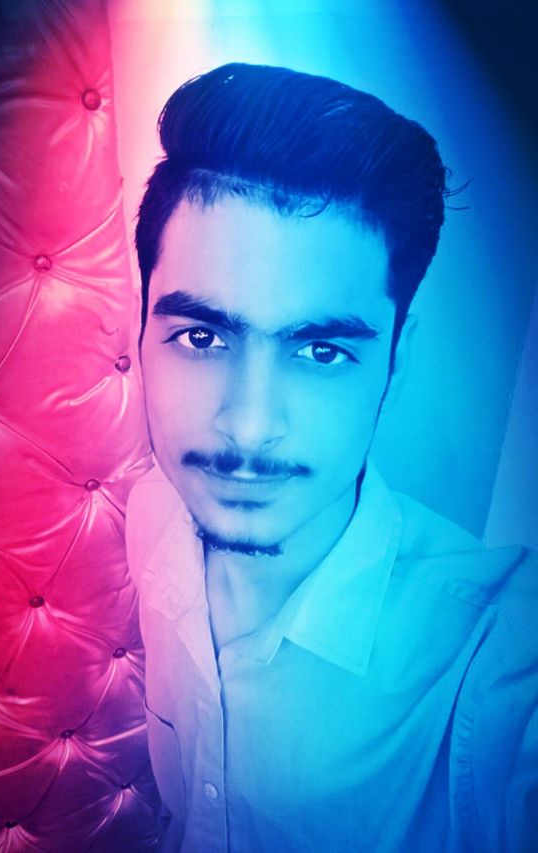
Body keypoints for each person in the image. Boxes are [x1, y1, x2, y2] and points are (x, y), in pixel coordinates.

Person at [125, 62, 537, 852]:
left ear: (394, 362)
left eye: (320, 351)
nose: (249, 427)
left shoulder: (493, 666)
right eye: (202, 336)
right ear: (140, 331)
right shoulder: (153, 512)